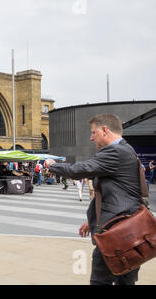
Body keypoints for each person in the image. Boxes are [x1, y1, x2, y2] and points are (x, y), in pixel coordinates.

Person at [45, 113, 146, 285]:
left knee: (100, 282)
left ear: (105, 130)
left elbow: (81, 169)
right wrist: (92, 219)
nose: (91, 138)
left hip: (115, 234)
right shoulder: (127, 149)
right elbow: (115, 193)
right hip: (130, 231)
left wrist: (53, 166)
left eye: (93, 132)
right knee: (125, 281)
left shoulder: (115, 151)